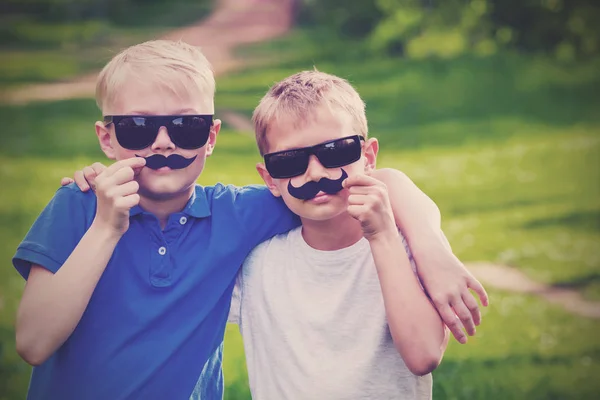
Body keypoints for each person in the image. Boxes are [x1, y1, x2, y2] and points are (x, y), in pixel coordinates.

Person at [14, 39, 485, 400]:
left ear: (212, 135)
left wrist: (430, 245)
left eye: (186, 126)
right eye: (138, 127)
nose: (161, 142)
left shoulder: (238, 216)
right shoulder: (77, 205)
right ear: (107, 136)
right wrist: (104, 227)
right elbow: (33, 343)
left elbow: (367, 181)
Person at [226, 70, 448, 399]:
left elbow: (424, 354)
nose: (315, 172)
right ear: (269, 178)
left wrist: (383, 236)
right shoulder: (253, 260)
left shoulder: (404, 241)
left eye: (336, 151)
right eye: (289, 161)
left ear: (368, 156)